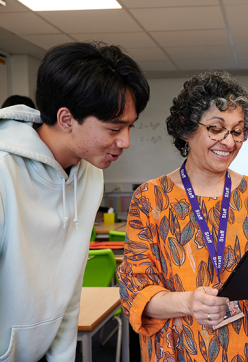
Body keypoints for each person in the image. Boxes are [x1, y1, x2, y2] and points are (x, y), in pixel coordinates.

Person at [117, 70, 248, 362]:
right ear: (186, 128)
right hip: (177, 349)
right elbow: (135, 293)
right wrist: (189, 302)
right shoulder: (150, 198)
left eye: (238, 130)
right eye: (216, 129)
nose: (229, 142)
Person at [0, 42, 150, 361]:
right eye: (114, 128)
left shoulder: (91, 174)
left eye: (129, 127)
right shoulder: (4, 172)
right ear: (66, 119)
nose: (125, 141)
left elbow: (69, 282)